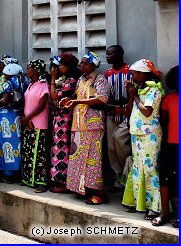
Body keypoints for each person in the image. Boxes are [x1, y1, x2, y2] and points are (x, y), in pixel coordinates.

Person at [63, 51, 111, 205]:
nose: (81, 65)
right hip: (78, 125)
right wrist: (69, 100)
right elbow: (78, 97)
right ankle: (84, 189)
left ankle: (100, 193)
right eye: (81, 62)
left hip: (92, 126)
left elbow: (102, 98)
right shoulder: (81, 79)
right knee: (78, 158)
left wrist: (78, 102)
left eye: (85, 63)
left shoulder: (99, 79)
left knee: (92, 160)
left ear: (92, 65)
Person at [122, 59, 164, 219]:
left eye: (135, 73)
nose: (132, 75)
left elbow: (147, 112)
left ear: (144, 74)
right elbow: (129, 109)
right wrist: (131, 95)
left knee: (150, 170)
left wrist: (135, 95)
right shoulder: (140, 89)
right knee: (138, 168)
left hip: (150, 136)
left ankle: (155, 207)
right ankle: (139, 203)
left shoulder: (154, 91)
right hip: (138, 134)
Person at [48, 53, 79, 194]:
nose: (58, 68)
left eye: (61, 65)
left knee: (62, 148)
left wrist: (53, 78)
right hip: (59, 116)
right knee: (57, 147)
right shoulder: (65, 79)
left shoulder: (70, 81)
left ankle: (64, 181)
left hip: (65, 118)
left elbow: (54, 96)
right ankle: (58, 179)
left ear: (68, 67)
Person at [103, 45, 132, 192]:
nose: (107, 57)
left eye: (110, 54)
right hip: (112, 114)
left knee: (121, 141)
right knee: (111, 147)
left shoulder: (131, 72)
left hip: (127, 115)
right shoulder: (107, 74)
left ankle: (127, 175)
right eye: (107, 54)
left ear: (120, 54)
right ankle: (118, 178)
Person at [153, 66, 179, 227]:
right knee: (164, 179)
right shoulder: (169, 99)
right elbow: (163, 121)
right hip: (170, 146)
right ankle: (164, 213)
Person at [0, 63, 26, 183]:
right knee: (17, 145)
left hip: (7, 117)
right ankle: (18, 173)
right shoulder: (24, 82)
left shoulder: (8, 83)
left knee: (6, 146)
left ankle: (8, 175)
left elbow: (4, 100)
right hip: (18, 116)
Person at [21, 60, 51, 192]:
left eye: (29, 68)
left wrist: (27, 118)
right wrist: (26, 119)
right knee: (28, 152)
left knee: (39, 154)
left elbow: (41, 106)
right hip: (28, 123)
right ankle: (28, 179)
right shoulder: (30, 85)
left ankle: (41, 182)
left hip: (38, 124)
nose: (27, 70)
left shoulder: (43, 85)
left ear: (36, 70)